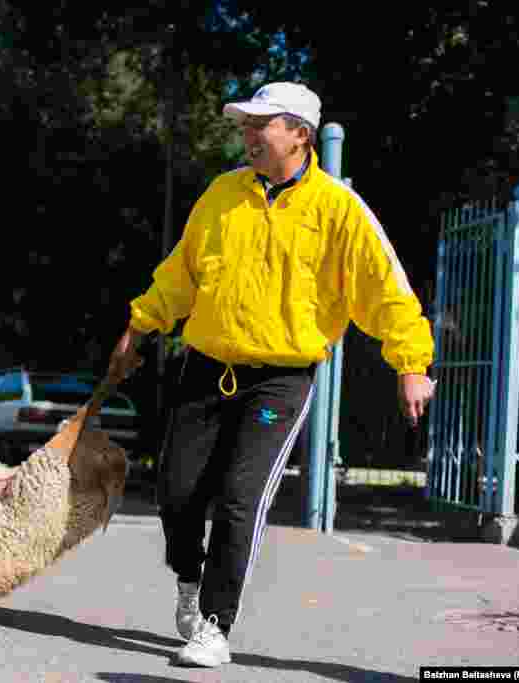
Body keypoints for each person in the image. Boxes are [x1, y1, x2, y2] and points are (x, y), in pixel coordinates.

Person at [107, 82, 436, 668]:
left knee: (240, 498)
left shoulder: (338, 211)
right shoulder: (221, 195)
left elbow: (387, 291)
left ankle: (214, 624)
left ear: (300, 135)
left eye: (263, 125)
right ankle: (190, 580)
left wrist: (412, 364)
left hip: (281, 378)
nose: (249, 135)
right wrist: (140, 325)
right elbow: (180, 273)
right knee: (177, 493)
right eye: (246, 124)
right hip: (207, 367)